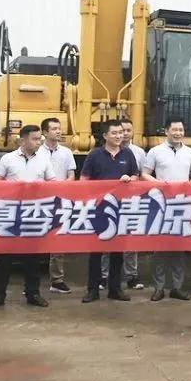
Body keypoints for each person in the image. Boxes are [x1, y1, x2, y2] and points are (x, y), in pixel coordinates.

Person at [0, 125, 56, 309]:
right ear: (23, 140)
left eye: (40, 138)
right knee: (4, 259)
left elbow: (53, 183)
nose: (39, 142)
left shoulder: (44, 160)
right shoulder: (8, 159)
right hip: (11, 214)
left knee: (32, 258)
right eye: (35, 139)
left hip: (33, 214)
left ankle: (33, 294)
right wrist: (14, 188)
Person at [141, 116, 191, 302]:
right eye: (174, 130)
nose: (178, 133)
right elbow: (144, 174)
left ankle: (177, 287)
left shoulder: (190, 152)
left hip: (182, 204)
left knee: (179, 249)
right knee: (159, 248)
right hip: (160, 205)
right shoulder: (155, 151)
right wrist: (159, 184)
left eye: (181, 130)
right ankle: (159, 288)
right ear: (166, 131)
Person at [80, 119, 139, 303]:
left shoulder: (128, 153)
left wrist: (130, 179)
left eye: (121, 132)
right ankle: (93, 289)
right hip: (99, 209)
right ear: (105, 135)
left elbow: (136, 175)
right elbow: (84, 179)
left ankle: (115, 288)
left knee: (117, 252)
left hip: (121, 208)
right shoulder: (94, 155)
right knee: (96, 252)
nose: (119, 136)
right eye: (114, 133)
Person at [102, 117, 145, 290]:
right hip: (106, 203)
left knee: (130, 242)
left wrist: (131, 180)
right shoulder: (99, 153)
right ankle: (104, 276)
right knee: (106, 241)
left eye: (126, 131)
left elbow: (139, 175)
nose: (123, 134)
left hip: (129, 203)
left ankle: (131, 276)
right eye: (119, 131)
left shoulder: (136, 153)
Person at [40, 117, 76, 295]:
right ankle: (32, 282)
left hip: (60, 200)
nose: (58, 131)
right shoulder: (37, 152)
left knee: (58, 240)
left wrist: (61, 187)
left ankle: (57, 280)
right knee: (35, 241)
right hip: (39, 201)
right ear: (45, 132)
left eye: (59, 128)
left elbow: (71, 175)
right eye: (54, 129)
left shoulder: (66, 152)